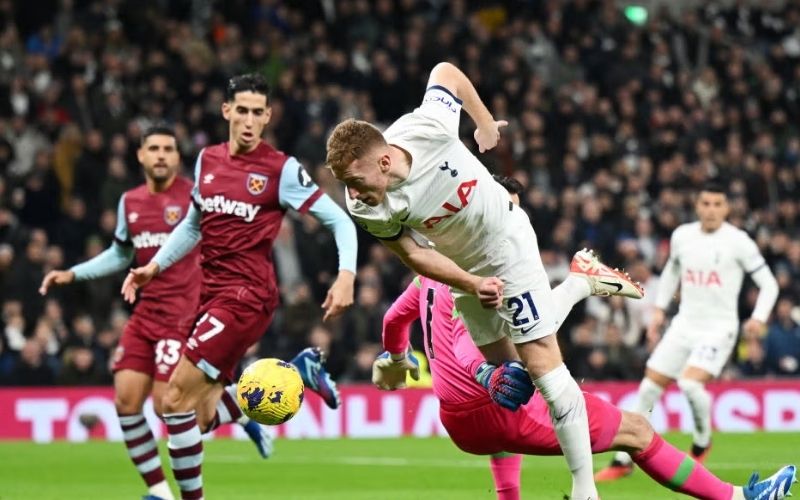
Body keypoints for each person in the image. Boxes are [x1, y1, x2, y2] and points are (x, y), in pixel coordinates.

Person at [325, 61, 642, 500]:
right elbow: (415, 255)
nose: (352, 194)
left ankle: (584, 490)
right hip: (467, 271)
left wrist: (485, 123)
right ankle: (578, 283)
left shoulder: (426, 128)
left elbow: (445, 72)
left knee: (546, 373)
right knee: (516, 374)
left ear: (384, 159)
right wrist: (470, 283)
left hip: (506, 244)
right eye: (345, 184)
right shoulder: (365, 206)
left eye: (356, 181)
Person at [39, 126, 342, 500]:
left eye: (169, 149)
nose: (162, 155)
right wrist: (73, 272)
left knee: (182, 414)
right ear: (141, 155)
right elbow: (120, 255)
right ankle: (161, 492)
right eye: (154, 148)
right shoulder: (129, 202)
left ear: (179, 157)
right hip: (146, 314)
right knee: (126, 401)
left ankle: (262, 393)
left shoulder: (199, 193)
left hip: (187, 316)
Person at [120, 75, 358, 500]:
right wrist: (153, 266)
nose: (249, 120)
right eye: (241, 110)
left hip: (245, 297)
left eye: (257, 112)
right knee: (201, 415)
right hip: (210, 295)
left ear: (267, 118)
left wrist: (346, 275)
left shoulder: (279, 169)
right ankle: (298, 374)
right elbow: (192, 225)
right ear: (226, 111)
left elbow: (339, 220)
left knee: (173, 400)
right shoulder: (207, 161)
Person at [378, 271, 795, 500]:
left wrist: (398, 359)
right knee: (637, 430)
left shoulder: (425, 275)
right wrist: (485, 373)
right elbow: (467, 338)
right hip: (489, 401)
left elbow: (394, 321)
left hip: (456, 421)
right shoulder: (481, 269)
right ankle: (739, 498)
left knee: (509, 416)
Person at [596, 181, 780, 481]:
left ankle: (702, 440)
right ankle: (622, 460)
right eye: (705, 203)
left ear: (726, 208)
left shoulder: (739, 241)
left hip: (719, 328)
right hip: (684, 324)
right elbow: (671, 273)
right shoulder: (683, 235)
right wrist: (658, 311)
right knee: (647, 388)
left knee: (690, 385)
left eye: (717, 204)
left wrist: (758, 318)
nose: (711, 210)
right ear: (697, 206)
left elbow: (769, 284)